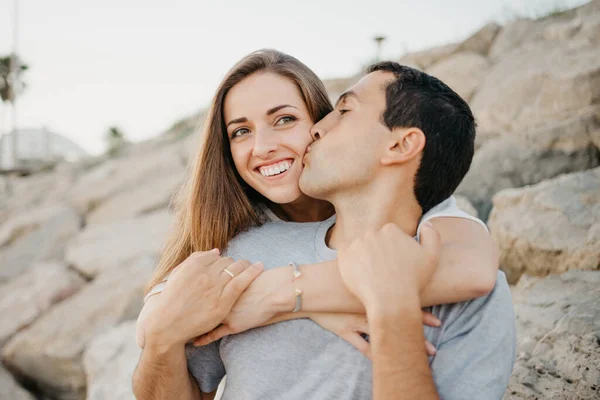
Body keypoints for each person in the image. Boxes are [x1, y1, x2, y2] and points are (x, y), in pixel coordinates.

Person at [132, 50, 508, 400]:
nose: (263, 147)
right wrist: (165, 333)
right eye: (240, 131)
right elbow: (157, 335)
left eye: (286, 119)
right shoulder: (243, 251)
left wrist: (288, 295)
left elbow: (471, 268)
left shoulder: (452, 252)